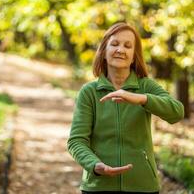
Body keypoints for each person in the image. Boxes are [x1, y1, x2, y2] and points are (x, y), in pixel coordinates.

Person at [67, 22, 184, 194]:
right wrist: (95, 166)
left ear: (134, 56)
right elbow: (76, 141)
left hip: (142, 186)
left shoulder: (146, 87)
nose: (120, 50)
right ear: (104, 53)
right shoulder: (89, 92)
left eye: (128, 46)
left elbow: (177, 112)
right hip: (98, 186)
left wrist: (140, 99)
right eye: (114, 44)